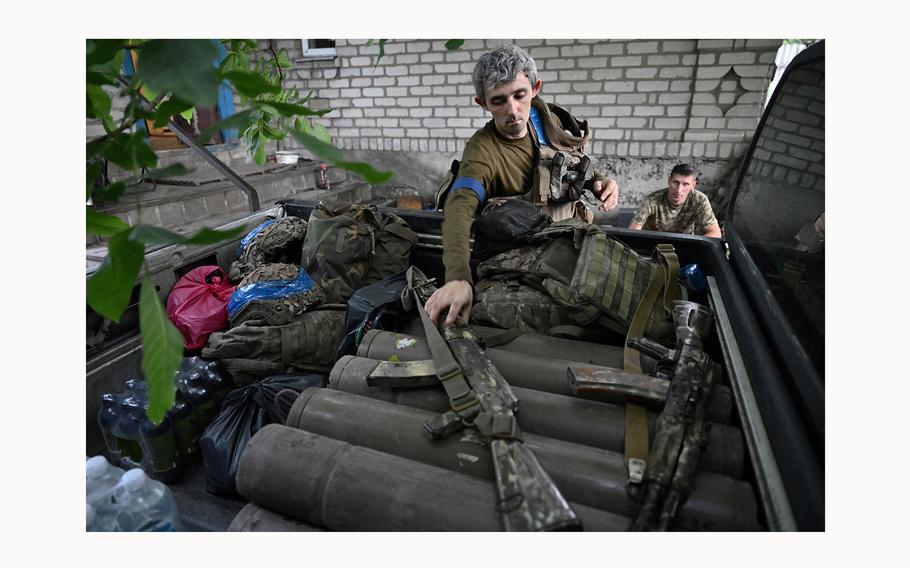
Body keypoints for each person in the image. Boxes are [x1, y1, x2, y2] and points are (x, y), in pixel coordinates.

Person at [426, 44, 619, 324]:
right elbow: (459, 208)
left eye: (520, 95)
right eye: (498, 101)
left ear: (535, 88)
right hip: (517, 266)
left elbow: (575, 164)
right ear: (482, 103)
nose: (513, 110)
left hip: (568, 249)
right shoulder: (482, 151)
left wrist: (599, 183)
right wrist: (458, 278)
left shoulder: (549, 122)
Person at [627, 163, 721, 238]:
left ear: (693, 185)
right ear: (669, 181)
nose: (679, 190)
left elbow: (715, 233)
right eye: (676, 182)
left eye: (685, 184)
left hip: (685, 245)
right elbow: (633, 231)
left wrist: (694, 247)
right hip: (654, 245)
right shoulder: (652, 200)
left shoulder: (700, 200)